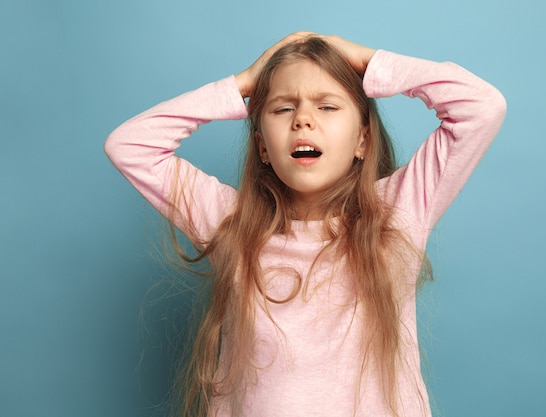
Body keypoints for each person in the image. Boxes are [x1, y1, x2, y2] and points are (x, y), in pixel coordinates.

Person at [105, 31, 506, 417]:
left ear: (363, 141)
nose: (303, 120)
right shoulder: (231, 222)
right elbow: (130, 146)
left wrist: (370, 62)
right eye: (283, 109)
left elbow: (481, 106)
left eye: (327, 106)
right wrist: (244, 84)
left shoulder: (399, 211)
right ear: (262, 145)